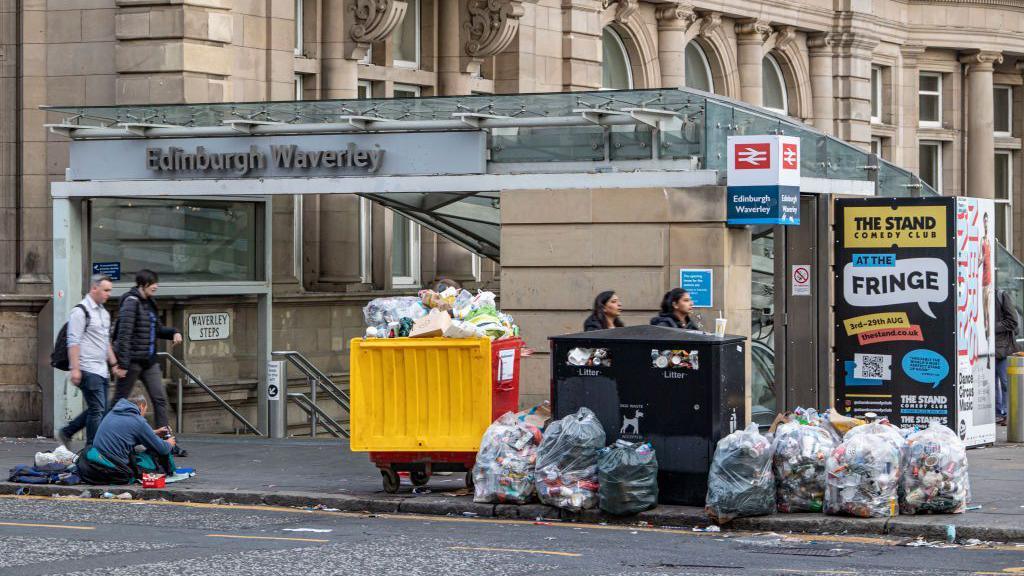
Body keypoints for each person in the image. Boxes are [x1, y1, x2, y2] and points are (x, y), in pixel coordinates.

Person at [111, 269, 183, 439]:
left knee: (159, 399)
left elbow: (157, 329)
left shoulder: (150, 302)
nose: (156, 286)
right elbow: (124, 335)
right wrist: (122, 364)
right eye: (153, 283)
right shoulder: (131, 302)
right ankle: (105, 436)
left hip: (149, 362)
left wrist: (174, 332)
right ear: (143, 285)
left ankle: (165, 441)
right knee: (118, 401)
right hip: (132, 362)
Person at [57, 274, 126, 448]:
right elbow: (73, 341)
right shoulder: (80, 312)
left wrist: (114, 364)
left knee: (101, 408)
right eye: (106, 290)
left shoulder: (104, 313)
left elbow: (105, 342)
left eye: (110, 290)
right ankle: (92, 448)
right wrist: (75, 369)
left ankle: (68, 432)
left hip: (102, 369)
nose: (108, 294)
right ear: (94, 288)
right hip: (87, 368)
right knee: (97, 409)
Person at [76, 395, 176, 485]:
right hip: (113, 465)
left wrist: (154, 432)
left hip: (97, 459)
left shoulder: (113, 413)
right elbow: (162, 449)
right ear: (141, 406)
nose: (143, 415)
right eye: (145, 410)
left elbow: (126, 434)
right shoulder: (138, 420)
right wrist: (169, 443)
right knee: (149, 463)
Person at [995, 289, 1019, 426]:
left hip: (1003, 348)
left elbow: (1013, 322)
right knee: (990, 385)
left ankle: (1008, 414)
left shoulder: (1001, 295)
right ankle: (998, 413)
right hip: (984, 348)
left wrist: (991, 327)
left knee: (1005, 383)